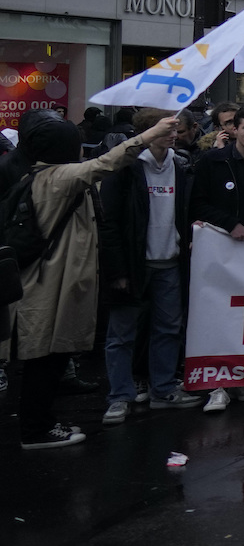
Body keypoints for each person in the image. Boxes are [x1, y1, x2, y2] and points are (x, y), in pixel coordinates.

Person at [7, 110, 177, 447]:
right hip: (49, 284)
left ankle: (41, 423)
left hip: (43, 280)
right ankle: (36, 430)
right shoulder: (59, 177)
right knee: (46, 360)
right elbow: (107, 163)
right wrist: (148, 135)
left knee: (48, 358)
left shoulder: (36, 175)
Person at [98, 110, 204, 424]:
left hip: (169, 261)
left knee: (169, 329)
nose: (174, 135)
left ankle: (163, 389)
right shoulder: (126, 167)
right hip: (134, 264)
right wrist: (117, 270)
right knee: (121, 334)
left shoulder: (181, 165)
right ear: (148, 132)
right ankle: (119, 396)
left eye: (176, 129)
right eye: (167, 129)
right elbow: (109, 222)